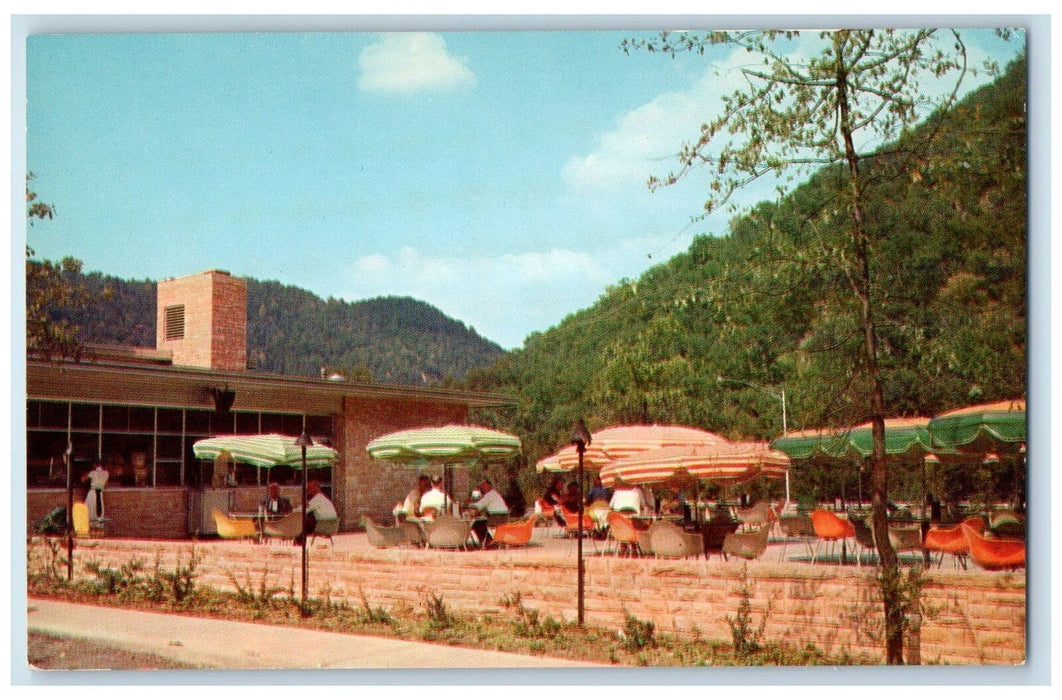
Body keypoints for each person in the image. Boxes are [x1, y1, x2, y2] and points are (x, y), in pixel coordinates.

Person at [466, 478, 509, 545]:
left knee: (477, 524)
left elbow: (479, 506)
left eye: (484, 485)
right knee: (481, 522)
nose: (482, 488)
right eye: (482, 486)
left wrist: (466, 505)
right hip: (503, 517)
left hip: (497, 517)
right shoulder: (494, 493)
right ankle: (488, 539)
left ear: (489, 486)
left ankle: (486, 541)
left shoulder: (489, 495)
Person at [294, 480, 337, 546]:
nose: (307, 490)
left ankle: (299, 545)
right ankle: (299, 543)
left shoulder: (317, 499)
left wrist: (293, 510)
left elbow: (303, 510)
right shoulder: (323, 498)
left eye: (309, 488)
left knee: (300, 522)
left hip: (323, 526)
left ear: (316, 488)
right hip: (331, 526)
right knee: (305, 520)